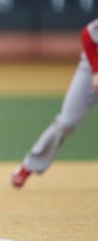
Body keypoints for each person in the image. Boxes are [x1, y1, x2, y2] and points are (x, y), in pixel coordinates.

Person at [11, 19, 98, 188]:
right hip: (91, 69)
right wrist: (96, 71)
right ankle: (27, 167)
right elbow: (87, 34)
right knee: (66, 122)